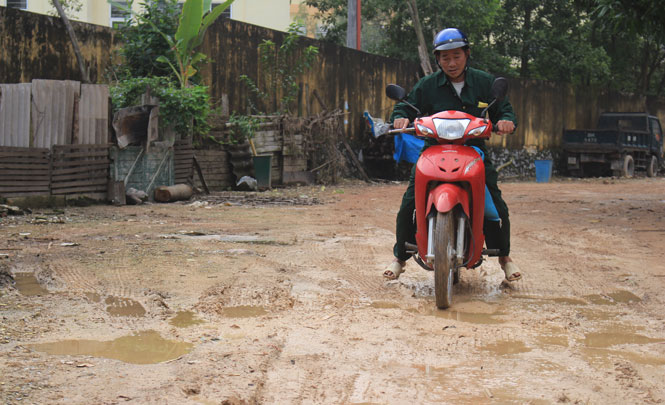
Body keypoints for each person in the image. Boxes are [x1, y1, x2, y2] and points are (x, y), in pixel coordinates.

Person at [383, 27, 522, 283]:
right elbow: (406, 104)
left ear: (467, 54)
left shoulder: (483, 81)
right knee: (409, 203)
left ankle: (504, 258)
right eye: (445, 58)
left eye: (456, 56)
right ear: (437, 60)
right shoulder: (428, 85)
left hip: (474, 150)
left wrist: (506, 122)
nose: (451, 62)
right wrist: (400, 116)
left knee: (497, 205)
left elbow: (504, 109)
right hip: (433, 150)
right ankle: (400, 257)